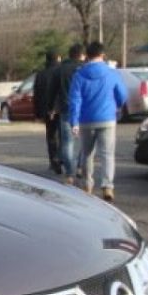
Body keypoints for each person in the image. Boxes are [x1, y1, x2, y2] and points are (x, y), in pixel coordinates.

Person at [68, 41, 127, 202]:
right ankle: (107, 186)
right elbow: (122, 95)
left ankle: (88, 184)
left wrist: (74, 121)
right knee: (107, 154)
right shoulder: (112, 73)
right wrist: (117, 105)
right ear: (102, 55)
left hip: (86, 120)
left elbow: (74, 100)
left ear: (87, 56)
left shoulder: (79, 75)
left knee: (87, 154)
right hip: (107, 118)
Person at [48, 43, 85, 185]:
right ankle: (81, 166)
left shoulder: (60, 70)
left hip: (66, 109)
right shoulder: (85, 69)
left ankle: (70, 172)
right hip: (84, 109)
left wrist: (51, 107)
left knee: (67, 142)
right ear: (81, 55)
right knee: (85, 142)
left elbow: (52, 90)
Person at [33, 50, 61, 176]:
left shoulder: (41, 74)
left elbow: (37, 94)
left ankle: (53, 159)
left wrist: (37, 113)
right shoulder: (61, 71)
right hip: (61, 108)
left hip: (46, 109)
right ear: (58, 58)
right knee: (63, 135)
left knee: (50, 136)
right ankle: (61, 158)